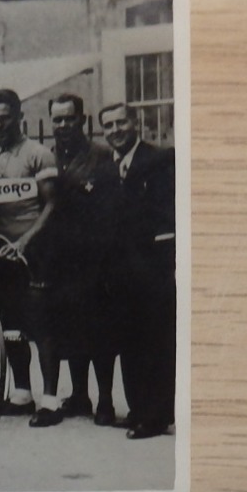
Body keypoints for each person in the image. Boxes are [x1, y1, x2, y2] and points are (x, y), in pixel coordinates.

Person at [0, 88, 61, 426]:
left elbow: (53, 205)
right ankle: (22, 392)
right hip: (2, 253)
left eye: (5, 118)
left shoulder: (38, 154)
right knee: (10, 325)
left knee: (40, 325)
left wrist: (27, 240)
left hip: (36, 250)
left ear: (19, 118)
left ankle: (51, 400)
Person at [42, 93, 122, 427]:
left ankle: (104, 400)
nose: (63, 125)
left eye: (69, 119)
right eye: (57, 119)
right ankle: (79, 395)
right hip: (60, 259)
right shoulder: (48, 157)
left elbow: (112, 210)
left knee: (99, 331)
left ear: (82, 121)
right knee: (68, 327)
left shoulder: (101, 156)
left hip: (94, 257)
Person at [99, 101, 177, 440]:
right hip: (120, 272)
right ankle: (137, 409)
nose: (115, 131)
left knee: (155, 343)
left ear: (135, 123)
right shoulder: (108, 167)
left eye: (121, 123)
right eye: (109, 126)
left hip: (151, 268)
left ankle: (156, 416)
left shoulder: (159, 160)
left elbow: (167, 216)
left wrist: (159, 262)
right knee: (128, 341)